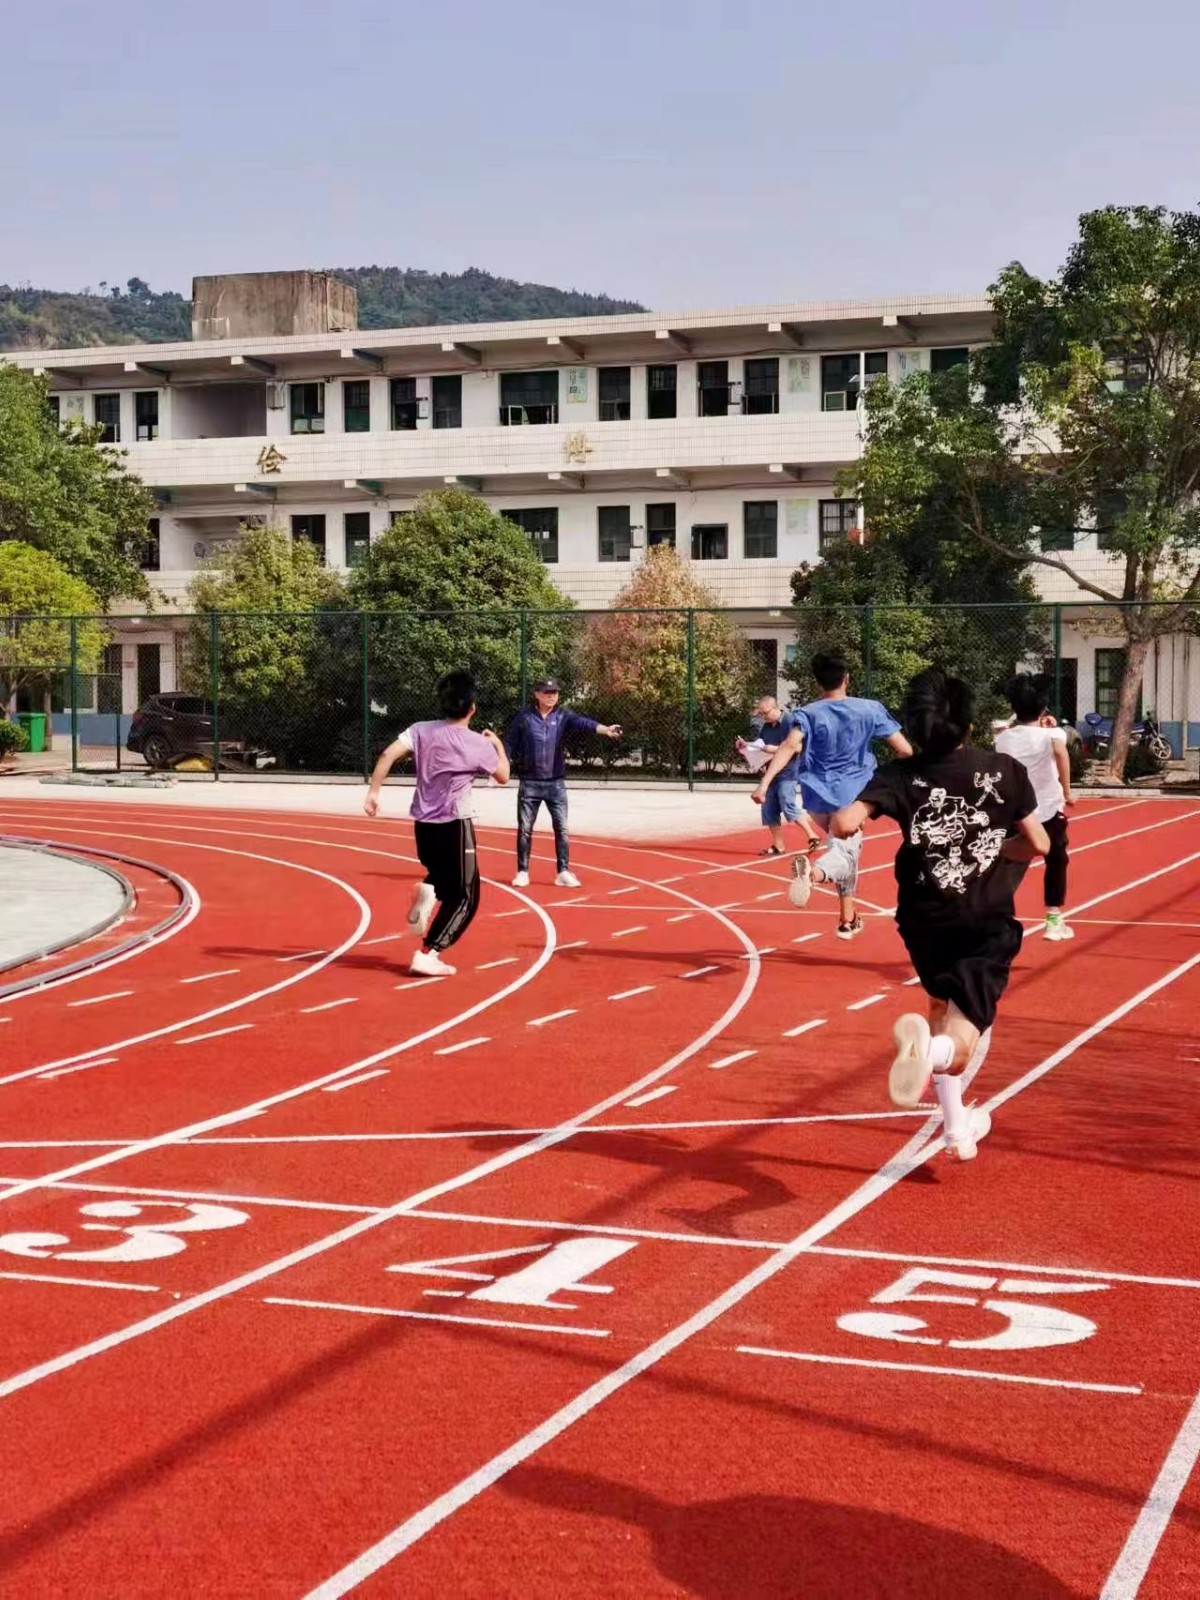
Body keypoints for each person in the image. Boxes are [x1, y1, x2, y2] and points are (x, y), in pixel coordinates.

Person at [831, 669, 1050, 1161]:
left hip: (922, 921)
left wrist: (844, 824)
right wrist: (996, 850)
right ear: (969, 724)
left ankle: (956, 1129)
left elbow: (845, 821)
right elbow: (1038, 843)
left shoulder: (899, 775)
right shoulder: (1003, 770)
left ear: (914, 727)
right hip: (984, 922)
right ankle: (931, 1054)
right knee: (961, 1039)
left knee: (939, 1008)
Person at [751, 651, 912, 939]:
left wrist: (764, 784)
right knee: (843, 853)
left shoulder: (807, 713)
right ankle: (814, 874)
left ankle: (847, 918)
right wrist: (885, 779)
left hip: (816, 797)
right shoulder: (870, 709)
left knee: (845, 850)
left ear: (818, 684)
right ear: (846, 678)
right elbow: (905, 750)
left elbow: (789, 746)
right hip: (853, 795)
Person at [364, 668, 510, 978]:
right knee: (466, 896)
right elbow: (504, 776)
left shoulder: (420, 730)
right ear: (472, 708)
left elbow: (388, 755)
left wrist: (373, 793)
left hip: (423, 825)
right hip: (455, 824)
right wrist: (498, 745)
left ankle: (427, 890)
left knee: (444, 879)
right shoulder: (477, 743)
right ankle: (428, 953)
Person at [505, 677, 621, 888]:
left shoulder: (563, 715)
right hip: (529, 783)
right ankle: (522, 871)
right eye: (547, 693)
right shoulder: (525, 716)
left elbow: (583, 723)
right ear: (537, 695)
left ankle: (563, 871)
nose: (552, 696)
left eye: (555, 693)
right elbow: (510, 743)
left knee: (562, 828)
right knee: (525, 829)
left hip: (556, 784)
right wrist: (501, 763)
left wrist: (605, 729)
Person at [995, 675, 1074, 941]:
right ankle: (1053, 918)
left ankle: (994, 913)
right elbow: (1061, 753)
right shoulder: (1053, 734)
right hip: (1048, 809)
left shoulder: (1003, 739)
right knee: (1057, 859)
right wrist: (1067, 790)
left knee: (1011, 863)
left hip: (1015, 812)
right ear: (1043, 709)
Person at [736, 696, 821, 856]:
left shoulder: (791, 721)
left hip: (788, 772)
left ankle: (812, 835)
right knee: (768, 808)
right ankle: (778, 845)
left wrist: (773, 749)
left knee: (787, 803)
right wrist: (746, 745)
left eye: (765, 713)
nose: (763, 716)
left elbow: (798, 747)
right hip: (771, 772)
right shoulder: (766, 727)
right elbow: (761, 746)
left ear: (775, 708)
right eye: (761, 714)